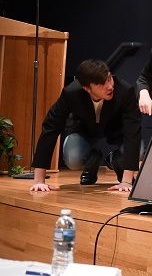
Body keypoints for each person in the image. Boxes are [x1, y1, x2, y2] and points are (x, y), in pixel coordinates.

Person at [30, 59, 141, 192]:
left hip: (116, 131)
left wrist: (127, 182)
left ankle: (116, 160)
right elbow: (50, 128)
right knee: (73, 159)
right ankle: (93, 160)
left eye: (109, 79)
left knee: (139, 150)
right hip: (83, 130)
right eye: (101, 84)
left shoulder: (125, 90)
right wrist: (39, 181)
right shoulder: (71, 93)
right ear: (87, 88)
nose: (109, 86)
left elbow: (132, 131)